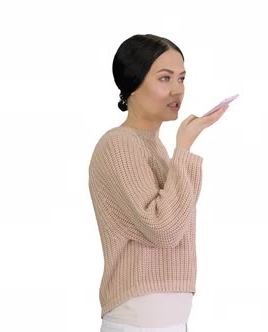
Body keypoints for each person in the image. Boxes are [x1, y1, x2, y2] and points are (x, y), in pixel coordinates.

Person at [88, 34, 228, 332]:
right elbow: (164, 230)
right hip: (138, 321)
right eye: (165, 78)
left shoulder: (157, 150)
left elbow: (177, 218)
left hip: (170, 321)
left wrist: (180, 154)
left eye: (182, 78)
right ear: (134, 82)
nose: (177, 90)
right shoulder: (118, 144)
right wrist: (185, 150)